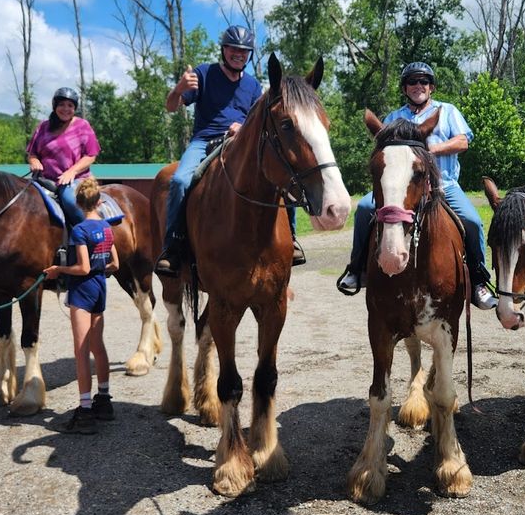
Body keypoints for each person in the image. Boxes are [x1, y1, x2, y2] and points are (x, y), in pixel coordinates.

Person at [338, 62, 498, 310]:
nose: (418, 86)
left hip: (443, 184)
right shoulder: (393, 118)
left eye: (423, 81)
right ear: (404, 88)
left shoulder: (447, 111)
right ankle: (357, 268)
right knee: (364, 208)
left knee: (472, 220)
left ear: (431, 87)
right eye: (412, 81)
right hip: (401, 188)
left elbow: (463, 141)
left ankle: (479, 280)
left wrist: (429, 149)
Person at [155, 24, 304, 276]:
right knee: (180, 180)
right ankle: (173, 246)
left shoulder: (254, 86)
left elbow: (257, 121)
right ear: (224, 50)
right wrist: (178, 89)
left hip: (242, 141)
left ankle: (292, 238)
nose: (239, 54)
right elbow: (171, 107)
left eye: (244, 51)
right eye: (234, 49)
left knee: (282, 175)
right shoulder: (204, 73)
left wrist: (243, 127)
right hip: (205, 140)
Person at [44, 177, 120, 434]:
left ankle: (85, 410)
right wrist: (100, 268)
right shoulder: (108, 228)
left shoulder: (79, 230)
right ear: (99, 202)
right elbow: (115, 265)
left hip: (83, 292)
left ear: (78, 204)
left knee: (81, 351)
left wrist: (58, 269)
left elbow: (83, 267)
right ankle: (104, 400)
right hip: (100, 289)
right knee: (98, 347)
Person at [27, 87, 100, 226]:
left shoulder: (82, 126)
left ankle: (92, 234)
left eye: (70, 105)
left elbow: (91, 155)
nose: (65, 109)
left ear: (75, 108)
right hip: (43, 180)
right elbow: (32, 153)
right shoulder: (43, 127)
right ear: (55, 106)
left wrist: (71, 172)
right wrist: (35, 161)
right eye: (61, 104)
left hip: (76, 179)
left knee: (70, 200)